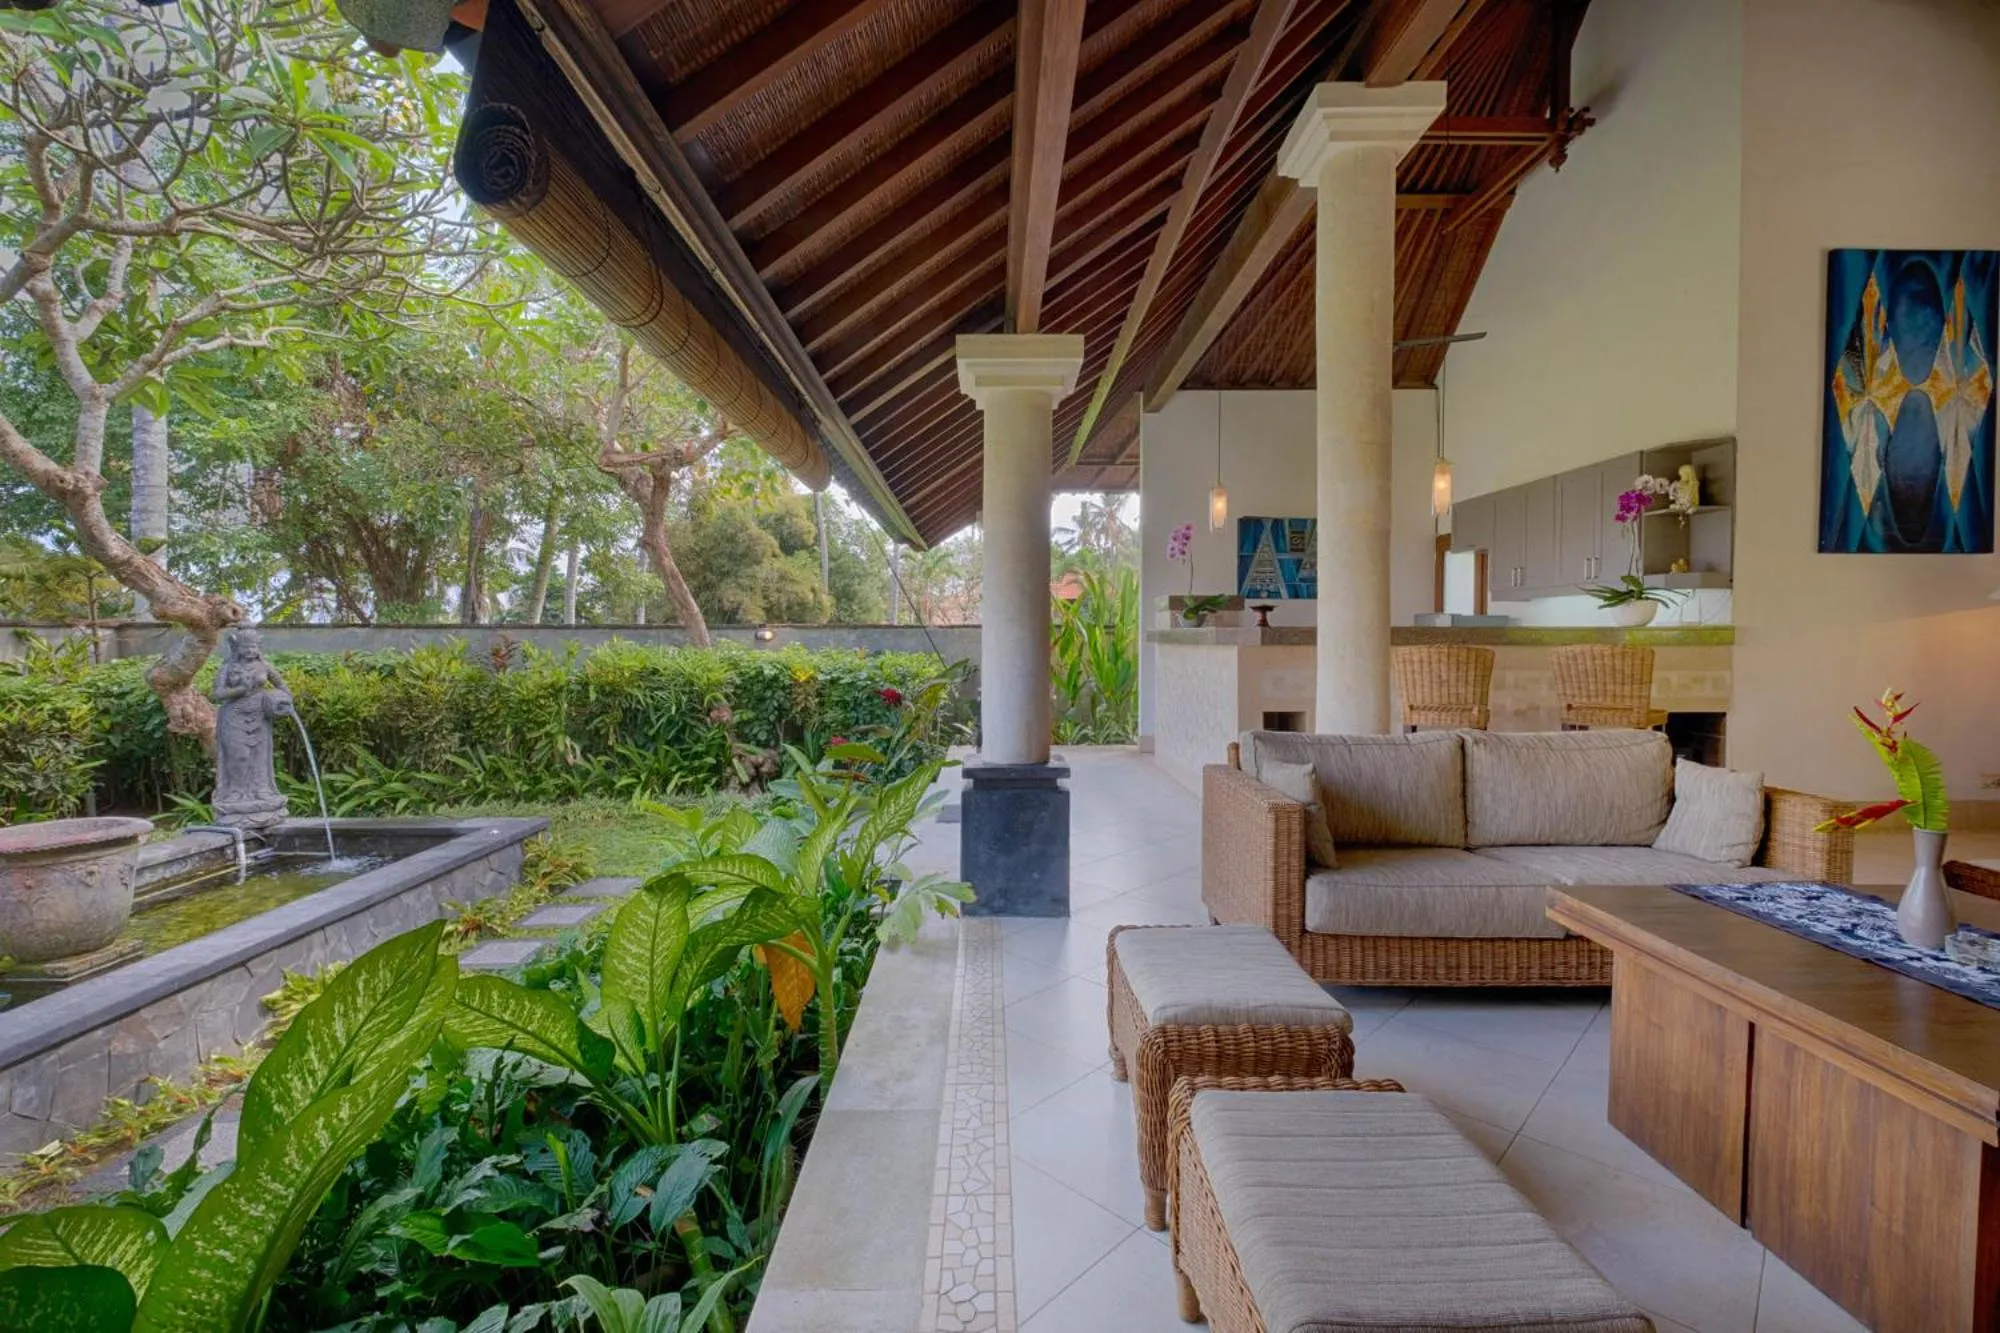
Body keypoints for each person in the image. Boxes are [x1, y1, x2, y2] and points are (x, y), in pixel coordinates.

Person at [211, 629, 293, 830]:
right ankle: (236, 792)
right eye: (245, 647)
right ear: (237, 649)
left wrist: (277, 700)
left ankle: (261, 790)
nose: (250, 651)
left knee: (259, 755)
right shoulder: (228, 667)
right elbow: (216, 694)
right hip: (233, 716)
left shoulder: (265, 666)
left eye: (254, 647)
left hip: (259, 716)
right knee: (238, 755)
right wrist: (238, 691)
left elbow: (284, 688)